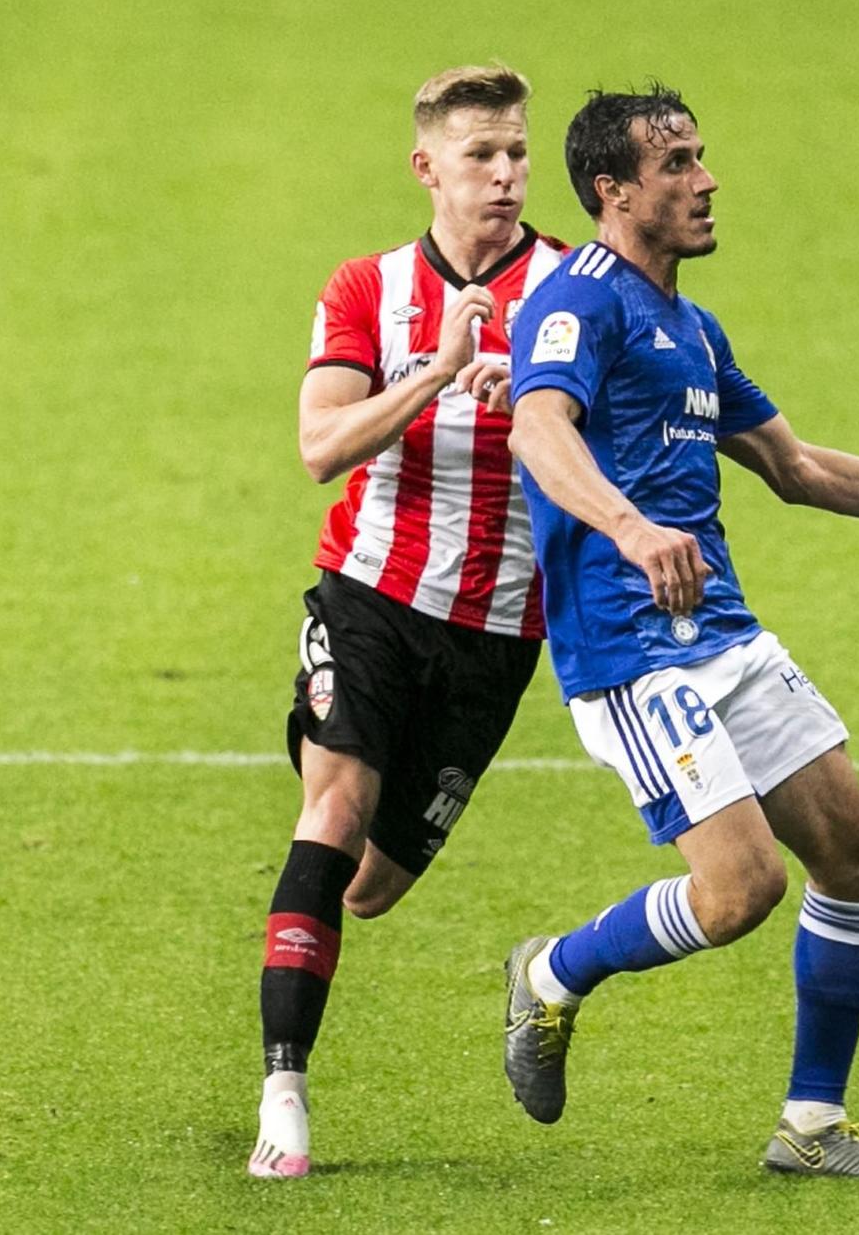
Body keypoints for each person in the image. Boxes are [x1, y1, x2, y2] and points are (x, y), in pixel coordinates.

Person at [500, 84, 859, 1180]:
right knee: (738, 892)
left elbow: (799, 468)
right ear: (612, 192)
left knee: (856, 854)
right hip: (628, 647)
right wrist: (628, 528)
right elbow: (537, 426)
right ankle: (551, 974)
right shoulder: (576, 299)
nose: (705, 181)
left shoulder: (690, 327)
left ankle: (810, 1126)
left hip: (719, 631)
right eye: (676, 166)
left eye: (700, 158)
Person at [249, 64, 569, 1180]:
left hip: (495, 628)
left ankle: (309, 955)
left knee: (370, 886)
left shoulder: (578, 289)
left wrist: (532, 401)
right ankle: (283, 1091)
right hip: (371, 594)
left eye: (517, 153)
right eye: (482, 155)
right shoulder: (366, 290)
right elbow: (319, 448)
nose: (505, 175)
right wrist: (435, 374)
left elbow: (620, 453)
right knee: (331, 808)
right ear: (426, 166)